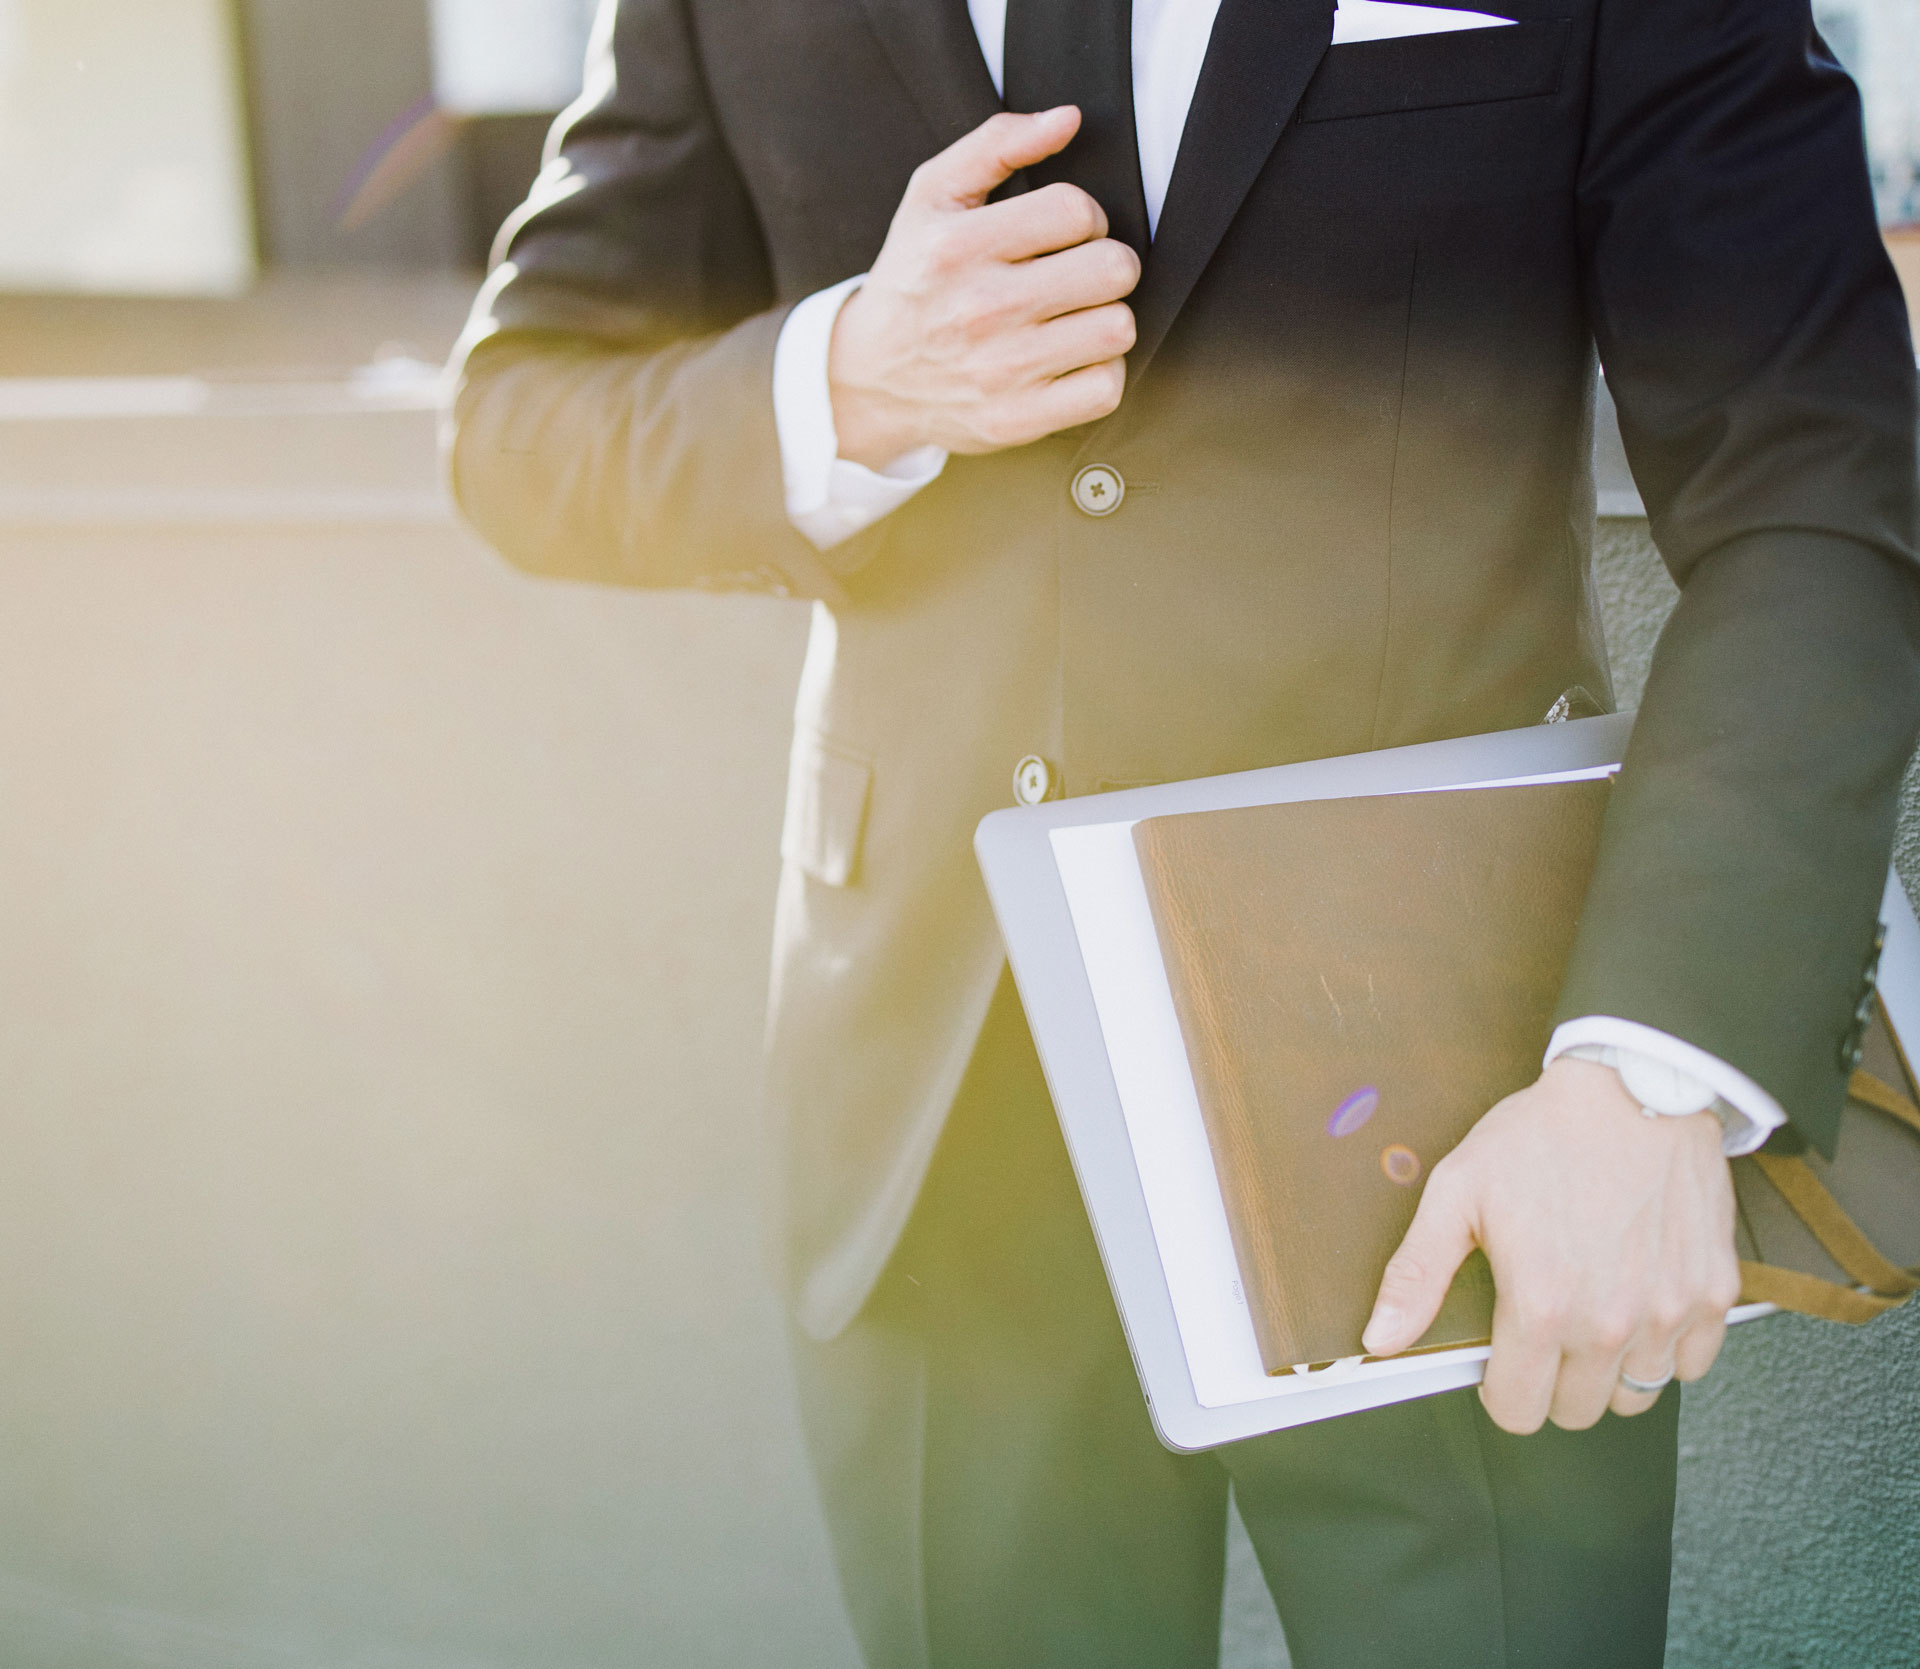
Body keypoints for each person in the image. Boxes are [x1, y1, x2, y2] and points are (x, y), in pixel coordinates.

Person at [446, 1, 1920, 1663]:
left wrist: (1649, 1071)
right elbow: (519, 420)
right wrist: (845, 381)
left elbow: (1823, 482)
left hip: (1457, 1129)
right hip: (940, 1132)